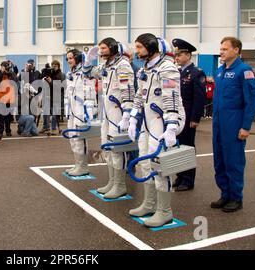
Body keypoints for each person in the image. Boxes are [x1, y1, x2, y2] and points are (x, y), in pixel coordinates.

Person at [126, 33, 185, 228]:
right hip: (149, 121)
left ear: (152, 48)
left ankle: (165, 211)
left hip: (165, 120)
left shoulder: (167, 68)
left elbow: (172, 97)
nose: (137, 51)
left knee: (159, 166)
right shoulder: (145, 69)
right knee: (145, 161)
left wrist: (171, 126)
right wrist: (133, 118)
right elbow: (138, 96)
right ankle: (150, 204)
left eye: (140, 47)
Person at [83, 38, 135, 198]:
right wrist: (87, 60)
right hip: (107, 113)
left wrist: (127, 113)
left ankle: (120, 185)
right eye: (100, 48)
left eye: (104, 48)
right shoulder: (106, 65)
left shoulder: (123, 65)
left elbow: (128, 90)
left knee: (117, 150)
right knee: (107, 147)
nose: (101, 51)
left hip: (118, 114)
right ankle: (112, 182)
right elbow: (88, 74)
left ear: (113, 48)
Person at [210, 37, 255, 213]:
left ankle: (236, 197)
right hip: (218, 123)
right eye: (220, 49)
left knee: (234, 161)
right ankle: (225, 194)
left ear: (236, 50)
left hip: (234, 123)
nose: (221, 52)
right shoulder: (221, 71)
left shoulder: (244, 71)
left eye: (225, 49)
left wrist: (246, 126)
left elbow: (251, 101)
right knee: (220, 160)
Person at [172, 38, 206, 191]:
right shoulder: (177, 72)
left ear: (188, 55)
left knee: (188, 148)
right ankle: (180, 176)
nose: (177, 58)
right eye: (176, 55)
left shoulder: (196, 73)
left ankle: (188, 180)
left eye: (179, 55)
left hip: (188, 118)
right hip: (178, 117)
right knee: (178, 147)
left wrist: (195, 119)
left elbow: (200, 98)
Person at [63, 50, 96, 177]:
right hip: (72, 109)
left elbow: (90, 89)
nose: (69, 61)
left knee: (80, 138)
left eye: (71, 58)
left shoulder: (85, 72)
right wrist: (66, 106)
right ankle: (77, 163)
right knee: (72, 137)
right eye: (67, 59)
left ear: (77, 58)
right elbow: (68, 91)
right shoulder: (69, 73)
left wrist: (89, 109)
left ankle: (83, 166)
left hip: (81, 110)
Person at [0, 61, 18, 139]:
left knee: (8, 116)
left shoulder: (11, 74)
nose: (5, 68)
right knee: (0, 116)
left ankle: (8, 130)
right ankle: (0, 131)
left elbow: (15, 81)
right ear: (1, 67)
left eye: (6, 66)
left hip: (9, 98)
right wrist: (2, 73)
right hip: (0, 98)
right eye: (3, 66)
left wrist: (9, 73)